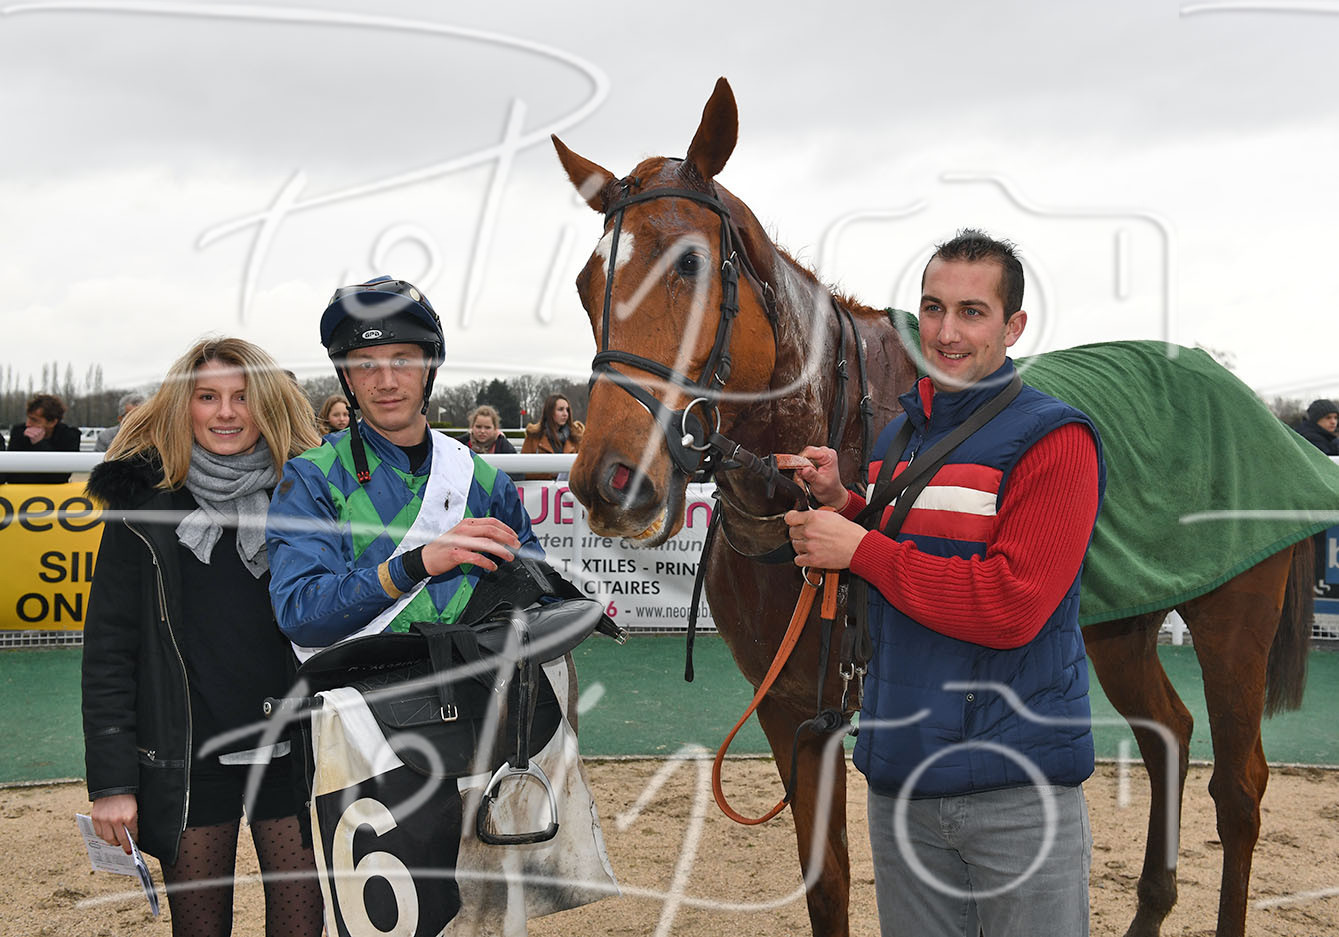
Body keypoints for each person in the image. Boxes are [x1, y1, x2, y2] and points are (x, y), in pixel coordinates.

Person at [786, 230, 1105, 936]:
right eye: (932, 308)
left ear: (1013, 327)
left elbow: (1012, 605)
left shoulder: (1056, 439)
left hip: (1016, 793)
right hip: (901, 781)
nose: (946, 332)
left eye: (971, 312)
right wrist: (846, 504)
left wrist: (860, 547)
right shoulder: (899, 436)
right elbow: (912, 549)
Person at [82, 338, 324, 937]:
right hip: (187, 754)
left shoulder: (311, 494)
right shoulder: (140, 504)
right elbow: (110, 651)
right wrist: (113, 785)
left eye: (243, 397)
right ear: (182, 405)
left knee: (303, 924)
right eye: (208, 396)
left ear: (268, 405)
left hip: (294, 747)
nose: (226, 412)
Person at [4, 393, 82, 484]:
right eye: (28, 418)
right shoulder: (19, 432)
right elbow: (11, 474)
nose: (28, 424)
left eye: (34, 420)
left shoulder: (69, 436)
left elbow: (61, 476)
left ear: (52, 422)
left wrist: (40, 444)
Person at [521, 393, 583, 481]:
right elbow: (523, 470)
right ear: (550, 412)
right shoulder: (533, 437)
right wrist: (550, 473)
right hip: (541, 488)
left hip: (568, 488)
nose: (565, 414)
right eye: (560, 409)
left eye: (567, 410)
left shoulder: (576, 438)